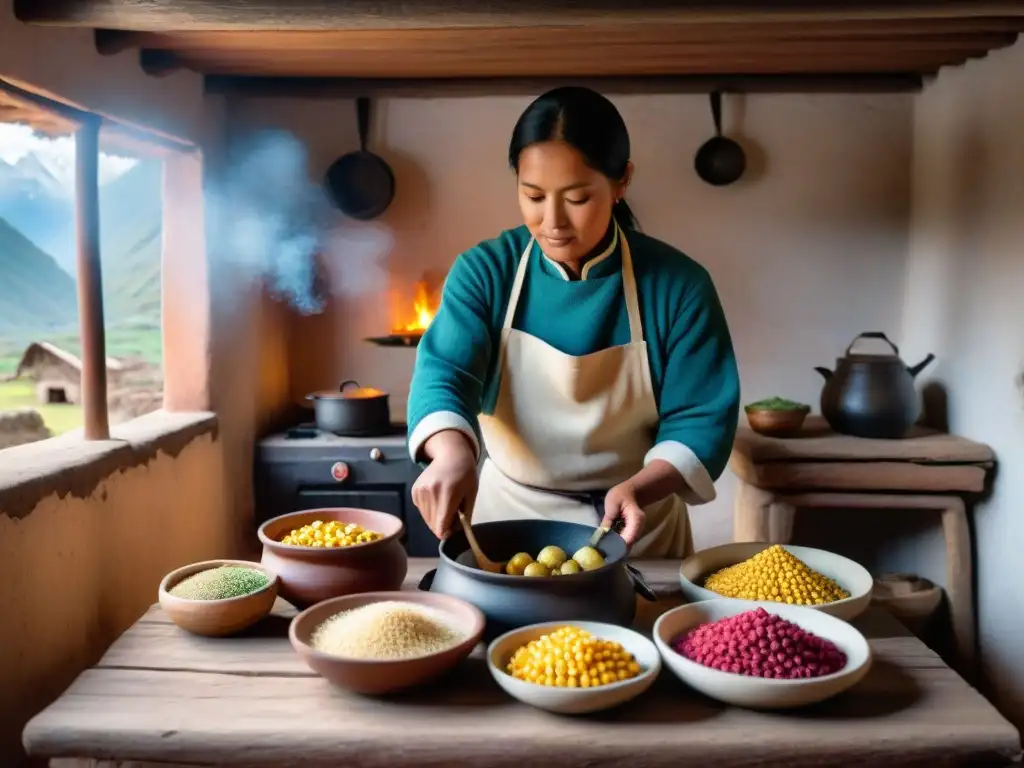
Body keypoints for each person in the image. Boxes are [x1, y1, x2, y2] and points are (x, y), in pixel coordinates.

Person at [406, 86, 740, 558]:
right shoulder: (487, 271)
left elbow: (701, 416)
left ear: (622, 181)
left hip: (637, 528)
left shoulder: (678, 286)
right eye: (534, 195)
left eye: (578, 198)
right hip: (508, 526)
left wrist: (642, 487)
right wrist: (452, 452)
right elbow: (446, 373)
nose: (553, 222)